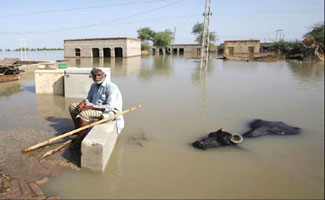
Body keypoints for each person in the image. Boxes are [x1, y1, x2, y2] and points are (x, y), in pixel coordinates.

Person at [69, 67, 124, 150]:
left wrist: (92, 107)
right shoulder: (93, 85)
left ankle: (80, 139)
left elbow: (110, 107)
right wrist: (83, 103)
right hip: (94, 107)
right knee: (72, 107)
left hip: (108, 113)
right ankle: (78, 130)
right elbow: (89, 99)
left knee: (84, 114)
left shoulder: (111, 87)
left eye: (99, 75)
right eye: (94, 75)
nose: (96, 77)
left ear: (104, 76)